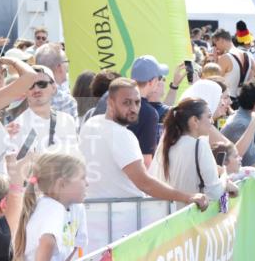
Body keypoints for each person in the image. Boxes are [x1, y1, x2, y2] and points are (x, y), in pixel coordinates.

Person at [79, 78, 209, 246]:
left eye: (137, 102)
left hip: (96, 225)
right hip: (120, 230)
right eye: (126, 103)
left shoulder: (91, 123)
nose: (133, 108)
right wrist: (187, 196)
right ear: (111, 103)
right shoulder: (120, 135)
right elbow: (144, 182)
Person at [8, 152, 87, 261]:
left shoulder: (76, 208)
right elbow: (47, 241)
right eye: (82, 178)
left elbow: (76, 242)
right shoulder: (51, 207)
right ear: (62, 184)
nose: (87, 183)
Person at [150, 98, 228, 211]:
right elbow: (214, 192)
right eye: (208, 116)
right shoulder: (200, 145)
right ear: (195, 120)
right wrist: (224, 177)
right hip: (192, 220)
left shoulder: (169, 145)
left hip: (168, 218)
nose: (212, 121)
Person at [9, 66, 79, 155]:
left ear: (54, 87)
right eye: (30, 85)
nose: (36, 89)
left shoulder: (67, 120)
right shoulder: (18, 127)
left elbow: (75, 157)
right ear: (25, 91)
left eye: (42, 84)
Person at [211, 27, 255, 101]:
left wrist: (215, 61)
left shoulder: (225, 58)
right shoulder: (247, 55)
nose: (215, 47)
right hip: (244, 100)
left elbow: (214, 81)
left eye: (215, 44)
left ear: (222, 40)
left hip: (227, 101)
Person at [33, 42, 79, 119]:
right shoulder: (66, 101)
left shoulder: (25, 94)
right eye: (66, 62)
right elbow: (73, 130)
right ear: (59, 67)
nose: (67, 66)